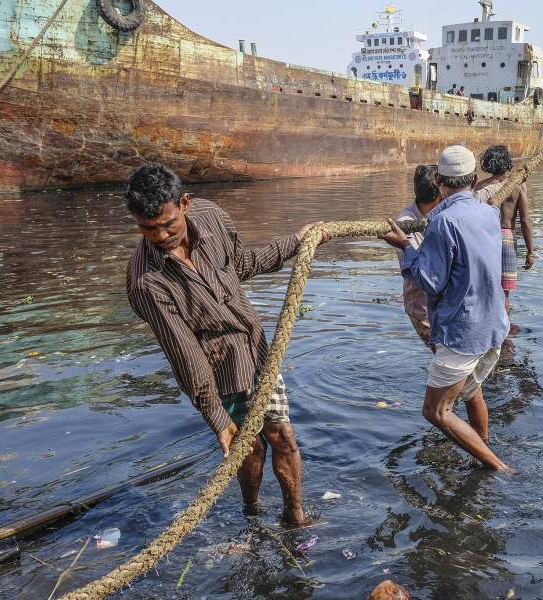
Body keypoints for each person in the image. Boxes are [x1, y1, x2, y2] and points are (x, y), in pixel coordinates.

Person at [124, 163, 330, 524]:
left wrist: (294, 243)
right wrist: (218, 420)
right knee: (248, 448)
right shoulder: (146, 282)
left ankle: (295, 516)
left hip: (258, 350)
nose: (160, 236)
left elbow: (242, 264)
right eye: (147, 228)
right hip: (220, 370)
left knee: (282, 436)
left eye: (168, 224)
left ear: (184, 204)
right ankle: (251, 512)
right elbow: (186, 357)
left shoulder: (213, 217)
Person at [381, 146, 511, 471]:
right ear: (474, 179)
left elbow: (430, 282)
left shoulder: (441, 222)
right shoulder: (488, 211)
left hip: (463, 332)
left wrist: (405, 248)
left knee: (436, 411)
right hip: (494, 324)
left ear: (439, 180)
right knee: (471, 390)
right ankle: (483, 453)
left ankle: (497, 467)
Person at [474, 145, 534, 312]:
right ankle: (505, 331)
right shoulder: (518, 185)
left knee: (485, 289)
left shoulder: (479, 187)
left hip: (485, 239)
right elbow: (525, 220)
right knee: (504, 293)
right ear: (507, 162)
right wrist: (530, 251)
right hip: (507, 238)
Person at [395, 165, 442, 346]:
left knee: (450, 361)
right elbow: (420, 267)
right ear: (440, 193)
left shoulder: (442, 213)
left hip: (442, 303)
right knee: (445, 360)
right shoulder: (405, 223)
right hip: (423, 307)